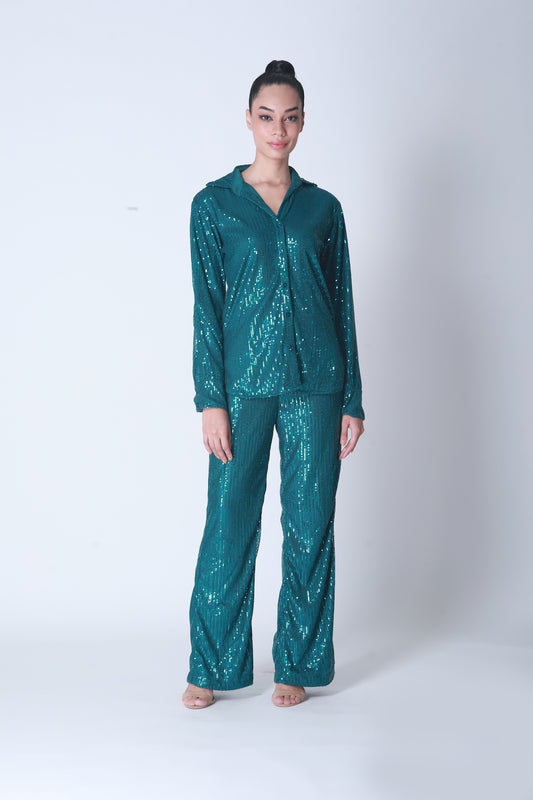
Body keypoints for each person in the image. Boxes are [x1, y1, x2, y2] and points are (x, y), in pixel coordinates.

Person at [182, 60, 365, 710]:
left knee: (310, 523)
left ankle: (298, 662)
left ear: (302, 123)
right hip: (243, 387)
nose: (277, 129)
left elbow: (342, 305)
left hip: (318, 384)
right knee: (228, 522)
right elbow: (206, 309)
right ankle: (211, 664)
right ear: (249, 120)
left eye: (289, 118)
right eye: (266, 116)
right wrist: (210, 399)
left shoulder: (322, 208)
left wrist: (352, 399)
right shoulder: (214, 205)